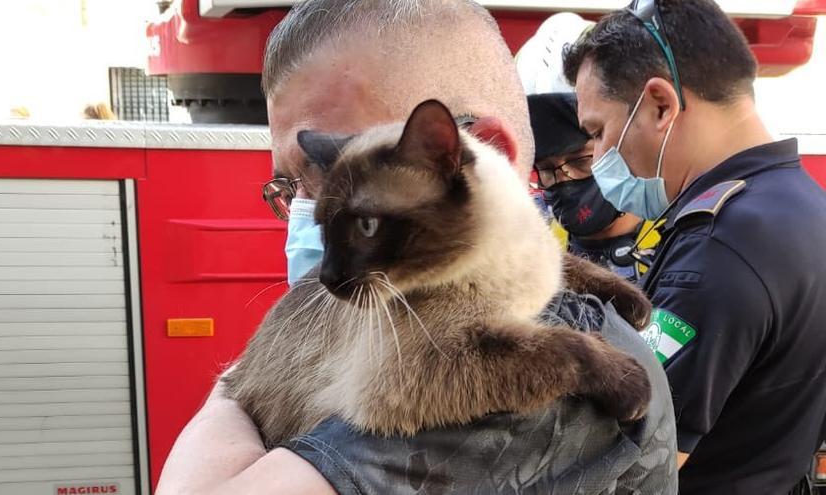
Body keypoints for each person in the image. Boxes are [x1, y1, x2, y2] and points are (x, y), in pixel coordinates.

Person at [155, 1, 678, 493]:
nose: (305, 224)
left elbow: (409, 387)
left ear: (470, 152)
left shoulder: (547, 383)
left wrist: (224, 402)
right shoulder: (443, 277)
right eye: (296, 190)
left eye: (361, 215)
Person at [563, 0, 826, 493]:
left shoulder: (719, 251)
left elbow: (631, 463)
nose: (598, 156)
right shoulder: (804, 206)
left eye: (598, 132)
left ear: (660, 105)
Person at [528, 92, 659, 282]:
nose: (564, 180)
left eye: (581, 162)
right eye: (547, 170)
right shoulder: (542, 253)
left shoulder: (678, 241)